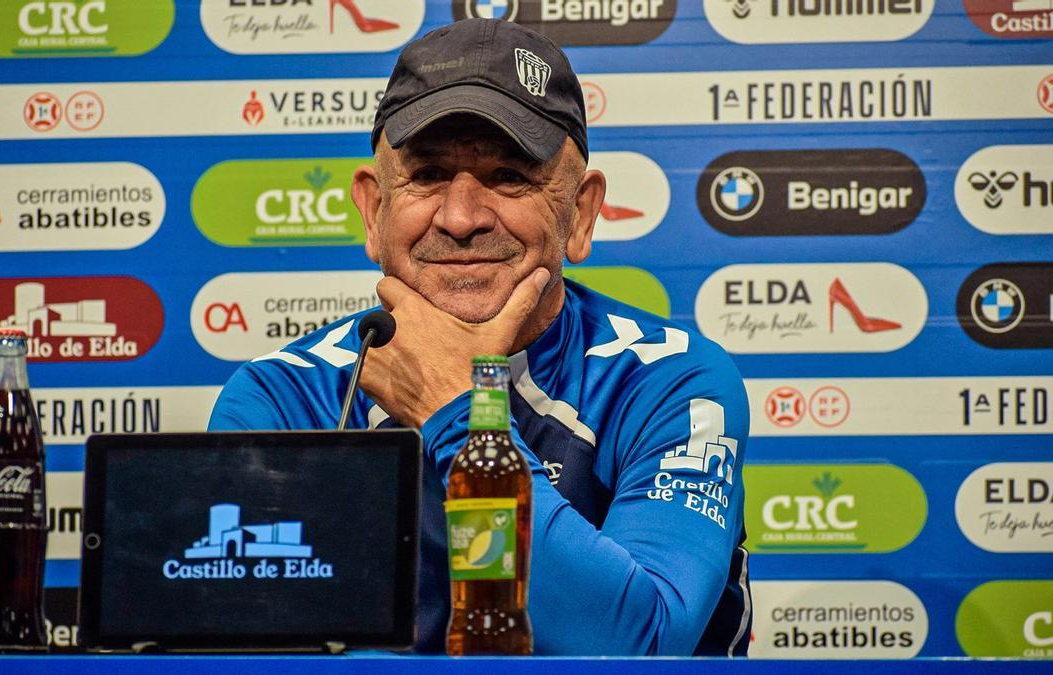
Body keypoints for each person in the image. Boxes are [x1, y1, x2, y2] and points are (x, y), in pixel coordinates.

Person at [209, 18, 751, 656]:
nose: (462, 218)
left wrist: (456, 408)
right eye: (429, 175)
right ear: (373, 211)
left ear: (579, 214)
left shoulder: (670, 380)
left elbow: (641, 643)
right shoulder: (281, 397)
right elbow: (256, 652)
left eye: (509, 177)